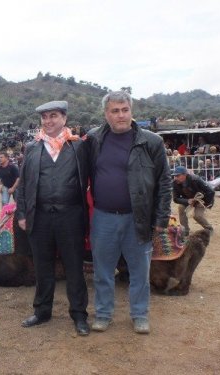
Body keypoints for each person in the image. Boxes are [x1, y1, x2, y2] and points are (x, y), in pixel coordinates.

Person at [86, 91, 172, 334]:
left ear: (131, 111)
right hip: (103, 218)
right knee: (102, 271)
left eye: (125, 110)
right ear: (106, 114)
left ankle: (140, 315)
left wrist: (161, 218)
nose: (121, 115)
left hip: (139, 219)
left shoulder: (151, 142)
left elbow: (164, 182)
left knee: (139, 272)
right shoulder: (93, 140)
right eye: (115, 111)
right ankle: (103, 314)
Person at [16, 100, 90, 336]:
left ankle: (79, 315)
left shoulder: (79, 147)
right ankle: (42, 311)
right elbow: (24, 184)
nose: (48, 121)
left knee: (74, 268)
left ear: (64, 119)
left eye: (54, 116)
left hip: (71, 216)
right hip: (40, 216)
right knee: (42, 266)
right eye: (45, 117)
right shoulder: (32, 148)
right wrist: (21, 214)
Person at [172, 165, 215, 235]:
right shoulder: (175, 183)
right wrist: (187, 201)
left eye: (178, 176)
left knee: (197, 216)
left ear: (185, 175)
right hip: (188, 200)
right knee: (181, 207)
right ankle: (185, 230)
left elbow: (211, 192)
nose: (176, 178)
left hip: (202, 200)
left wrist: (205, 203)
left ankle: (209, 229)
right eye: (175, 176)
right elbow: (175, 199)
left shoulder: (196, 179)